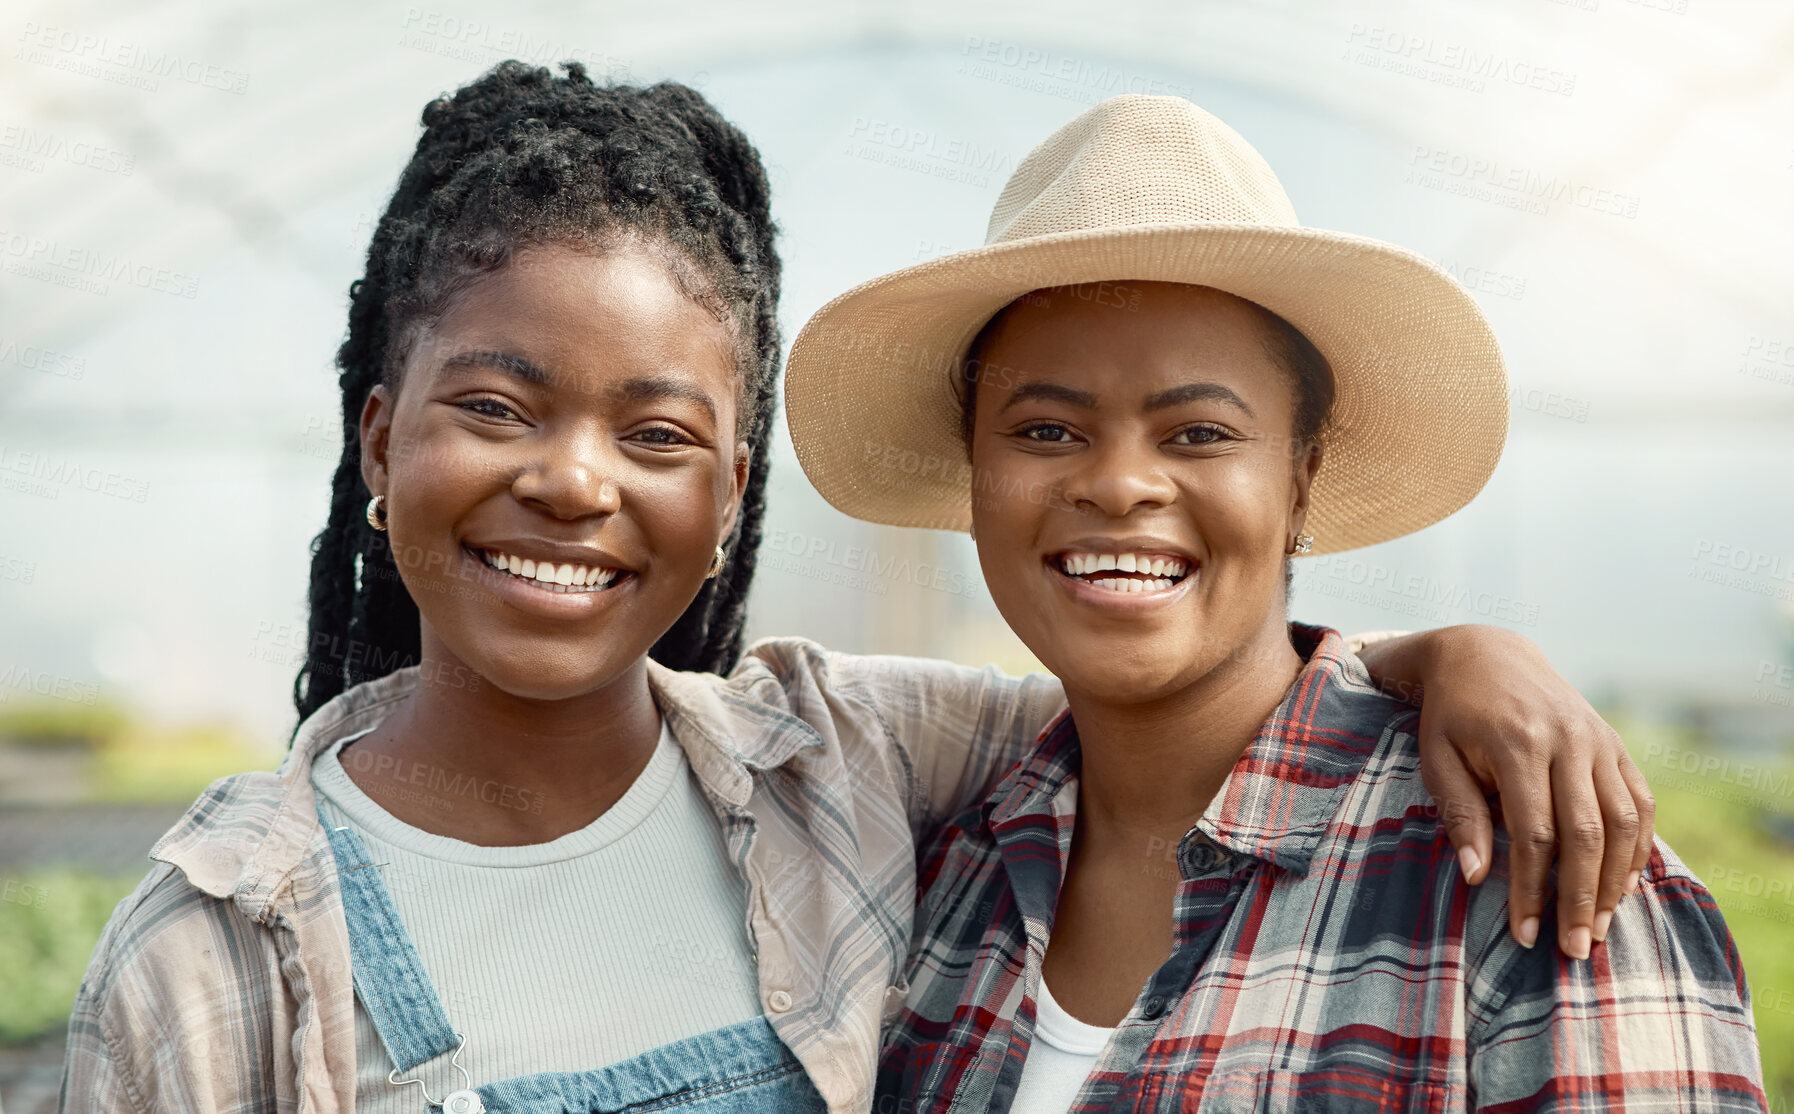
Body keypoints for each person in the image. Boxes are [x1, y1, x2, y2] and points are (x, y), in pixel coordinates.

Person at [61, 67, 1659, 1114]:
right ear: (378, 432)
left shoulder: (839, 764)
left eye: (657, 431)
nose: (571, 479)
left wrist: (1450, 656)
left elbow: (1179, 687)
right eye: (494, 404)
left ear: (728, 491)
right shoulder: (213, 957)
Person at [780, 94, 1768, 1111]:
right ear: (974, 474)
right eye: (1044, 430)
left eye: (1199, 432)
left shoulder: (1524, 869)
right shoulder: (948, 854)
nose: (1120, 485)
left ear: (1300, 478)